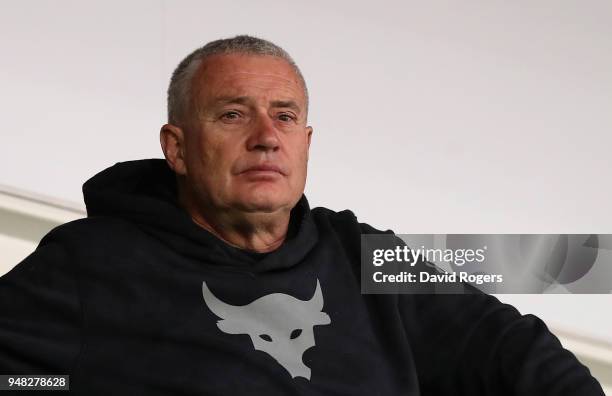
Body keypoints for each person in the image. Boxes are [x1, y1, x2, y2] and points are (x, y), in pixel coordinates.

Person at [0, 35, 604, 395]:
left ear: (306, 143)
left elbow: (517, 354)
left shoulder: (363, 255)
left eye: (285, 116)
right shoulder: (93, 263)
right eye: (234, 114)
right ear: (178, 148)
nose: (267, 136)